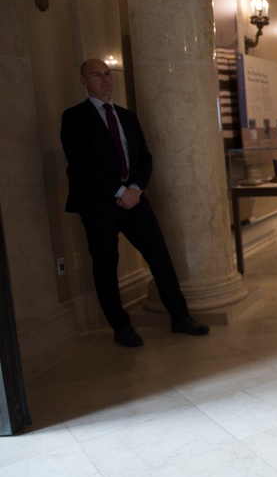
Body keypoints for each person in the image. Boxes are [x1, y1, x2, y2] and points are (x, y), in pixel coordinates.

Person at [60, 59, 210, 347]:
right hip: (99, 205)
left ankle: (180, 317)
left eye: (107, 74)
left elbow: (145, 158)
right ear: (83, 82)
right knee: (105, 266)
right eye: (96, 75)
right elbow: (80, 165)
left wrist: (136, 189)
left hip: (135, 200)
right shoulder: (74, 118)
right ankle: (121, 326)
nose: (105, 79)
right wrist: (119, 191)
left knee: (160, 257)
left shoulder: (127, 117)